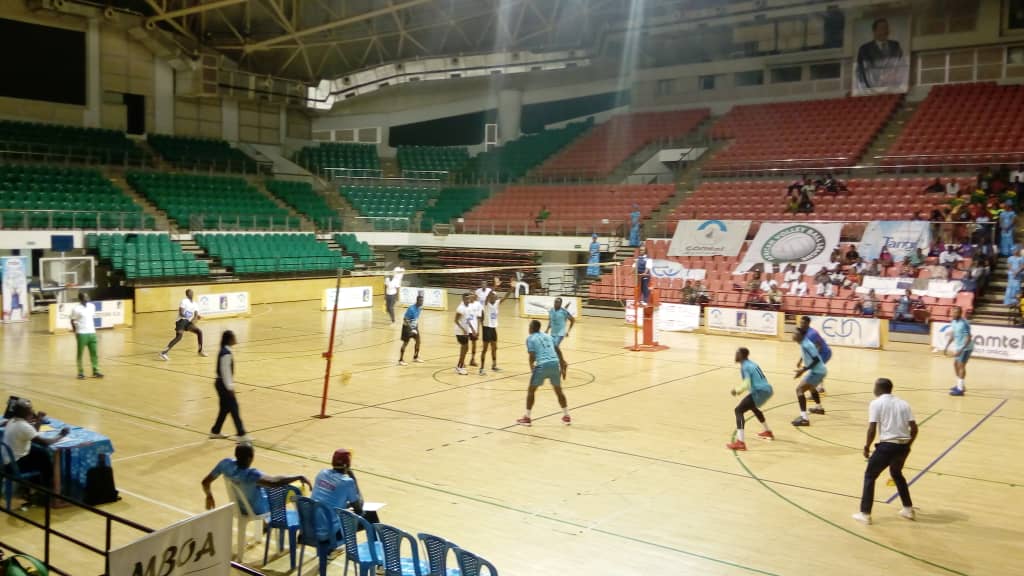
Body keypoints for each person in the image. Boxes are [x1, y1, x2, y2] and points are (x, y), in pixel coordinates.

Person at [852, 378, 917, 525]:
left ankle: (865, 513)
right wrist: (907, 445)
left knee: (870, 476)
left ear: (879, 388)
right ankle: (908, 509)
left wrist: (867, 446)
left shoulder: (876, 403)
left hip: (887, 446)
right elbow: (914, 429)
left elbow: (872, 428)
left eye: (874, 386)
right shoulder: (903, 403)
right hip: (903, 446)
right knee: (897, 474)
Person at [201, 443, 310, 514]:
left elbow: (205, 482)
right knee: (297, 489)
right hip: (257, 510)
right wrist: (298, 476)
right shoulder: (251, 475)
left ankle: (265, 524)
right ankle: (303, 529)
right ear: (250, 458)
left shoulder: (225, 464)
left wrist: (209, 496)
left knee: (263, 487)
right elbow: (274, 482)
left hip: (239, 508)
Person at [1, 400, 70, 491]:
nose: (33, 410)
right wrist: (61, 435)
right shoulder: (23, 426)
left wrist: (39, 420)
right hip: (14, 465)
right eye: (30, 409)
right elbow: (45, 442)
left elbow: (32, 432)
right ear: (26, 413)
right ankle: (49, 489)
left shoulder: (12, 420)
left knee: (39, 452)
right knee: (45, 457)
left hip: (5, 461)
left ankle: (36, 484)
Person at [516, 320, 570, 427]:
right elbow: (557, 349)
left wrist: (531, 366)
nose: (528, 328)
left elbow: (532, 355)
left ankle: (527, 417)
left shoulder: (530, 338)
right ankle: (566, 416)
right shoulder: (547, 336)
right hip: (554, 364)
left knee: (531, 390)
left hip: (542, 365)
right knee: (559, 391)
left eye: (529, 326)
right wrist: (562, 362)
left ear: (532, 328)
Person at [311, 449, 369, 539]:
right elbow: (359, 507)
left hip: (310, 528)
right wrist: (353, 478)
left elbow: (329, 498)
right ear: (348, 465)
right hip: (328, 533)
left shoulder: (321, 473)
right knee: (368, 516)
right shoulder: (347, 482)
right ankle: (368, 549)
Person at [725, 348, 775, 451]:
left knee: (738, 410)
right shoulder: (750, 363)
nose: (736, 355)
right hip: (767, 390)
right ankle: (767, 431)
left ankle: (740, 443)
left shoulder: (745, 366)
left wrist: (737, 390)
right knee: (753, 407)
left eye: (737, 353)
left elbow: (746, 383)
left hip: (760, 391)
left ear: (742, 356)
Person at [209, 331, 249, 441]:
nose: (235, 338)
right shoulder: (226, 353)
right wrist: (230, 387)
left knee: (225, 409)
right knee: (234, 408)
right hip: (223, 385)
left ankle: (215, 431)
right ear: (230, 339)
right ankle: (241, 434)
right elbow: (225, 372)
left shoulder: (225, 351)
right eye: (234, 337)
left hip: (220, 384)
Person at [856, 18, 905, 90]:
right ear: (874, 31)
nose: (884, 31)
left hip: (892, 87)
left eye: (886, 28)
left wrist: (897, 79)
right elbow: (861, 71)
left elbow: (902, 65)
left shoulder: (895, 45)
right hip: (874, 87)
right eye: (881, 28)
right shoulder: (864, 49)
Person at [792, 327, 827, 426]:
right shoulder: (804, 343)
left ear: (801, 336)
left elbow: (815, 360)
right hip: (819, 371)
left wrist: (803, 370)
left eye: (795, 334)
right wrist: (802, 366)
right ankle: (819, 408)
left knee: (799, 390)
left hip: (818, 372)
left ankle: (804, 418)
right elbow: (811, 357)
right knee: (811, 388)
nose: (793, 335)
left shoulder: (806, 345)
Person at [160, 288, 205, 360]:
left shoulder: (195, 304)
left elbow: (196, 314)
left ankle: (200, 351)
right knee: (179, 337)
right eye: (190, 293)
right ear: (187, 294)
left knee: (199, 332)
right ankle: (164, 353)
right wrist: (187, 317)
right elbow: (181, 312)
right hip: (181, 321)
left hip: (188, 322)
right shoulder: (184, 301)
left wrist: (194, 320)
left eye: (192, 292)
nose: (191, 294)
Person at [70, 292, 102, 380]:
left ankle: (96, 371)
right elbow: (72, 320)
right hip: (82, 333)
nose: (88, 297)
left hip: (92, 333)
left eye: (88, 296)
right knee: (80, 354)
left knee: (94, 353)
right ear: (81, 298)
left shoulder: (92, 306)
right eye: (86, 296)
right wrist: (75, 331)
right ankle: (80, 373)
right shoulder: (76, 309)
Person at [944, 306, 974, 396]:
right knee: (955, 365)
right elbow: (953, 334)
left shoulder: (964, 323)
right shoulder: (953, 321)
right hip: (959, 347)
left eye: (954, 313)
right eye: (952, 312)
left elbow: (969, 338)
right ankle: (960, 385)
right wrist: (946, 346)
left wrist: (961, 350)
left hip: (966, 348)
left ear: (959, 314)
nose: (952, 314)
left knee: (961, 366)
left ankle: (960, 390)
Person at [479, 281, 508, 374]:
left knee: (495, 347)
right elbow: (488, 295)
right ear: (491, 296)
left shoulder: (496, 303)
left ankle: (494, 365)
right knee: (484, 349)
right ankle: (482, 368)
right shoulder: (486, 304)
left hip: (493, 328)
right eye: (495, 296)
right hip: (486, 328)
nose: (497, 297)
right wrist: (494, 286)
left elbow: (506, 297)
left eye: (497, 296)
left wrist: (513, 287)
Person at [797, 315, 833, 390]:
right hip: (821, 352)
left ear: (808, 323)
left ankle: (817, 389)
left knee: (816, 370)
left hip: (824, 353)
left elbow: (819, 347)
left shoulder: (811, 334)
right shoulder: (805, 333)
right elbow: (806, 350)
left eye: (803, 323)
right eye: (800, 322)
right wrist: (800, 361)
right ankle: (820, 388)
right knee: (817, 370)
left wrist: (815, 359)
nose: (801, 324)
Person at [398, 293, 424, 366]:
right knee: (405, 343)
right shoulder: (411, 309)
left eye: (422, 301)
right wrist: (411, 328)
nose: (422, 302)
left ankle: (415, 357)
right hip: (407, 328)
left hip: (414, 327)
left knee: (418, 341)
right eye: (420, 301)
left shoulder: (419, 308)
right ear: (417, 301)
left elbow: (415, 319)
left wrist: (415, 327)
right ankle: (400, 360)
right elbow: (405, 319)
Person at [453, 293, 475, 375]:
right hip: (459, 332)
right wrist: (463, 329)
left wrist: (472, 329)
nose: (468, 300)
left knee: (465, 349)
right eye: (466, 299)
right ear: (463, 299)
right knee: (464, 348)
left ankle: (459, 366)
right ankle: (460, 367)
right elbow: (456, 320)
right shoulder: (460, 308)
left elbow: (468, 320)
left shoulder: (468, 307)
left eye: (469, 298)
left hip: (465, 331)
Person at [466, 292, 484, 368]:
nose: (472, 297)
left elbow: (479, 318)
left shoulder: (478, 305)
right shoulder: (465, 304)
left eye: (473, 295)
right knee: (465, 346)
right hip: (466, 328)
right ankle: (462, 361)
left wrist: (478, 329)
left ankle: (472, 360)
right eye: (470, 295)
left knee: (474, 344)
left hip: (474, 328)